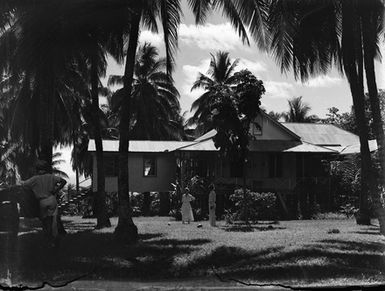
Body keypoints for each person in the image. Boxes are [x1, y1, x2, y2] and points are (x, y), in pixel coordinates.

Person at [21, 160, 66, 247]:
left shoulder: (34, 179)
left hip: (41, 201)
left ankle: (48, 239)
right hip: (51, 199)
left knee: (45, 221)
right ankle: (55, 238)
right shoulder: (51, 177)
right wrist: (56, 190)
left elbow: (24, 185)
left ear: (37, 169)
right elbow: (63, 181)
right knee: (53, 220)